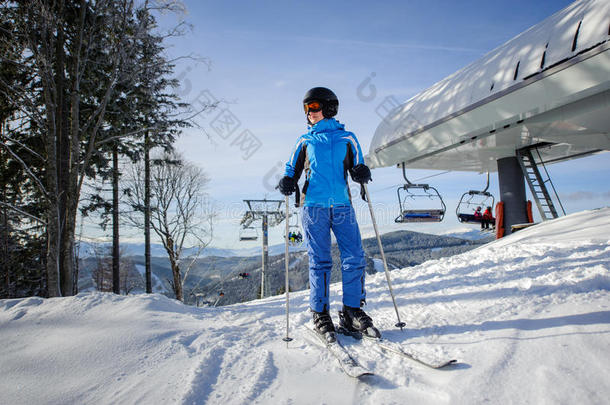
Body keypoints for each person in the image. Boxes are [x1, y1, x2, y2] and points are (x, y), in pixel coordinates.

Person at [278, 87, 380, 342]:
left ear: (329, 107)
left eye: (312, 106)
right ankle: (320, 312)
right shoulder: (305, 140)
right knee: (320, 260)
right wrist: (288, 180)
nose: (308, 112)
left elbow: (358, 163)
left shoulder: (348, 138)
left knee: (354, 256)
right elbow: (292, 167)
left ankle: (352, 312)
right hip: (313, 207)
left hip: (343, 206)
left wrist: (361, 172)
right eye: (306, 108)